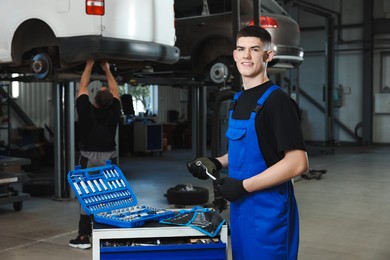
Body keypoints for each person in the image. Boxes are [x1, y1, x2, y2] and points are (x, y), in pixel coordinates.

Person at [186, 25, 309, 259]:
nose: (246, 55)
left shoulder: (277, 102)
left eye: (254, 49)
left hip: (268, 212)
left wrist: (243, 186)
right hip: (241, 209)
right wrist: (216, 162)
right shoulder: (238, 99)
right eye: (241, 49)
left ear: (268, 56)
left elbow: (297, 163)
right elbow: (251, 151)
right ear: (234, 55)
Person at [69, 60, 121, 249]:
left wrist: (89, 64)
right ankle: (108, 236)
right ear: (110, 103)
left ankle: (83, 238)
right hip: (109, 158)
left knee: (87, 195)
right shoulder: (115, 111)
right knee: (109, 194)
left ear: (94, 99)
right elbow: (115, 91)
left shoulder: (84, 109)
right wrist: (107, 69)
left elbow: (82, 85)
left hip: (88, 158)